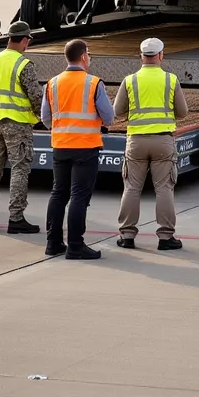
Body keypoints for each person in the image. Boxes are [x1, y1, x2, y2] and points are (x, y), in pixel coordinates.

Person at [113, 36, 188, 250]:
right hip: (163, 141)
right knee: (164, 189)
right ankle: (166, 237)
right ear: (161, 56)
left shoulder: (130, 80)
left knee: (132, 188)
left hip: (136, 141)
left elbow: (117, 111)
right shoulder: (170, 80)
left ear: (141, 57)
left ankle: (127, 235)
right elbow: (182, 112)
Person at [42, 38, 113, 259]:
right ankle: (75, 245)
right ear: (83, 57)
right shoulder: (93, 83)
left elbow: (46, 118)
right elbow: (109, 118)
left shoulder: (52, 83)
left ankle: (53, 243)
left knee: (58, 193)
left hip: (60, 146)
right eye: (89, 54)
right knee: (79, 197)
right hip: (86, 146)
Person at [0, 20, 41, 234]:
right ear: (25, 40)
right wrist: (41, 117)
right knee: (20, 168)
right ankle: (16, 217)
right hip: (17, 123)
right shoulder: (24, 64)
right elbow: (35, 95)